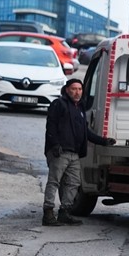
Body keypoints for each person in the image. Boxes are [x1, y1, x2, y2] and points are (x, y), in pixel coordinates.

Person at [43, 78, 114, 226]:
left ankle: (64, 212)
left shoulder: (79, 108)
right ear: (67, 90)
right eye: (74, 89)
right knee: (54, 181)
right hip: (60, 152)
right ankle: (48, 213)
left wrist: (103, 141)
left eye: (80, 89)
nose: (77, 92)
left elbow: (85, 132)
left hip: (74, 154)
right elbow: (51, 126)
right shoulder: (59, 104)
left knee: (75, 182)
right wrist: (55, 145)